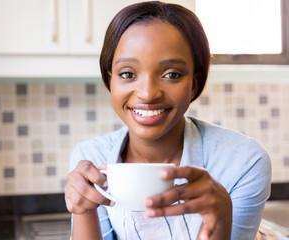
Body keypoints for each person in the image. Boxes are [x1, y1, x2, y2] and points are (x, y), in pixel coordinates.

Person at [64, 1, 271, 239]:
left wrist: (222, 220)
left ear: (194, 83)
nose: (148, 93)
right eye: (127, 74)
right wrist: (82, 211)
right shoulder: (91, 159)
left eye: (171, 74)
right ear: (110, 81)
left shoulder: (243, 162)